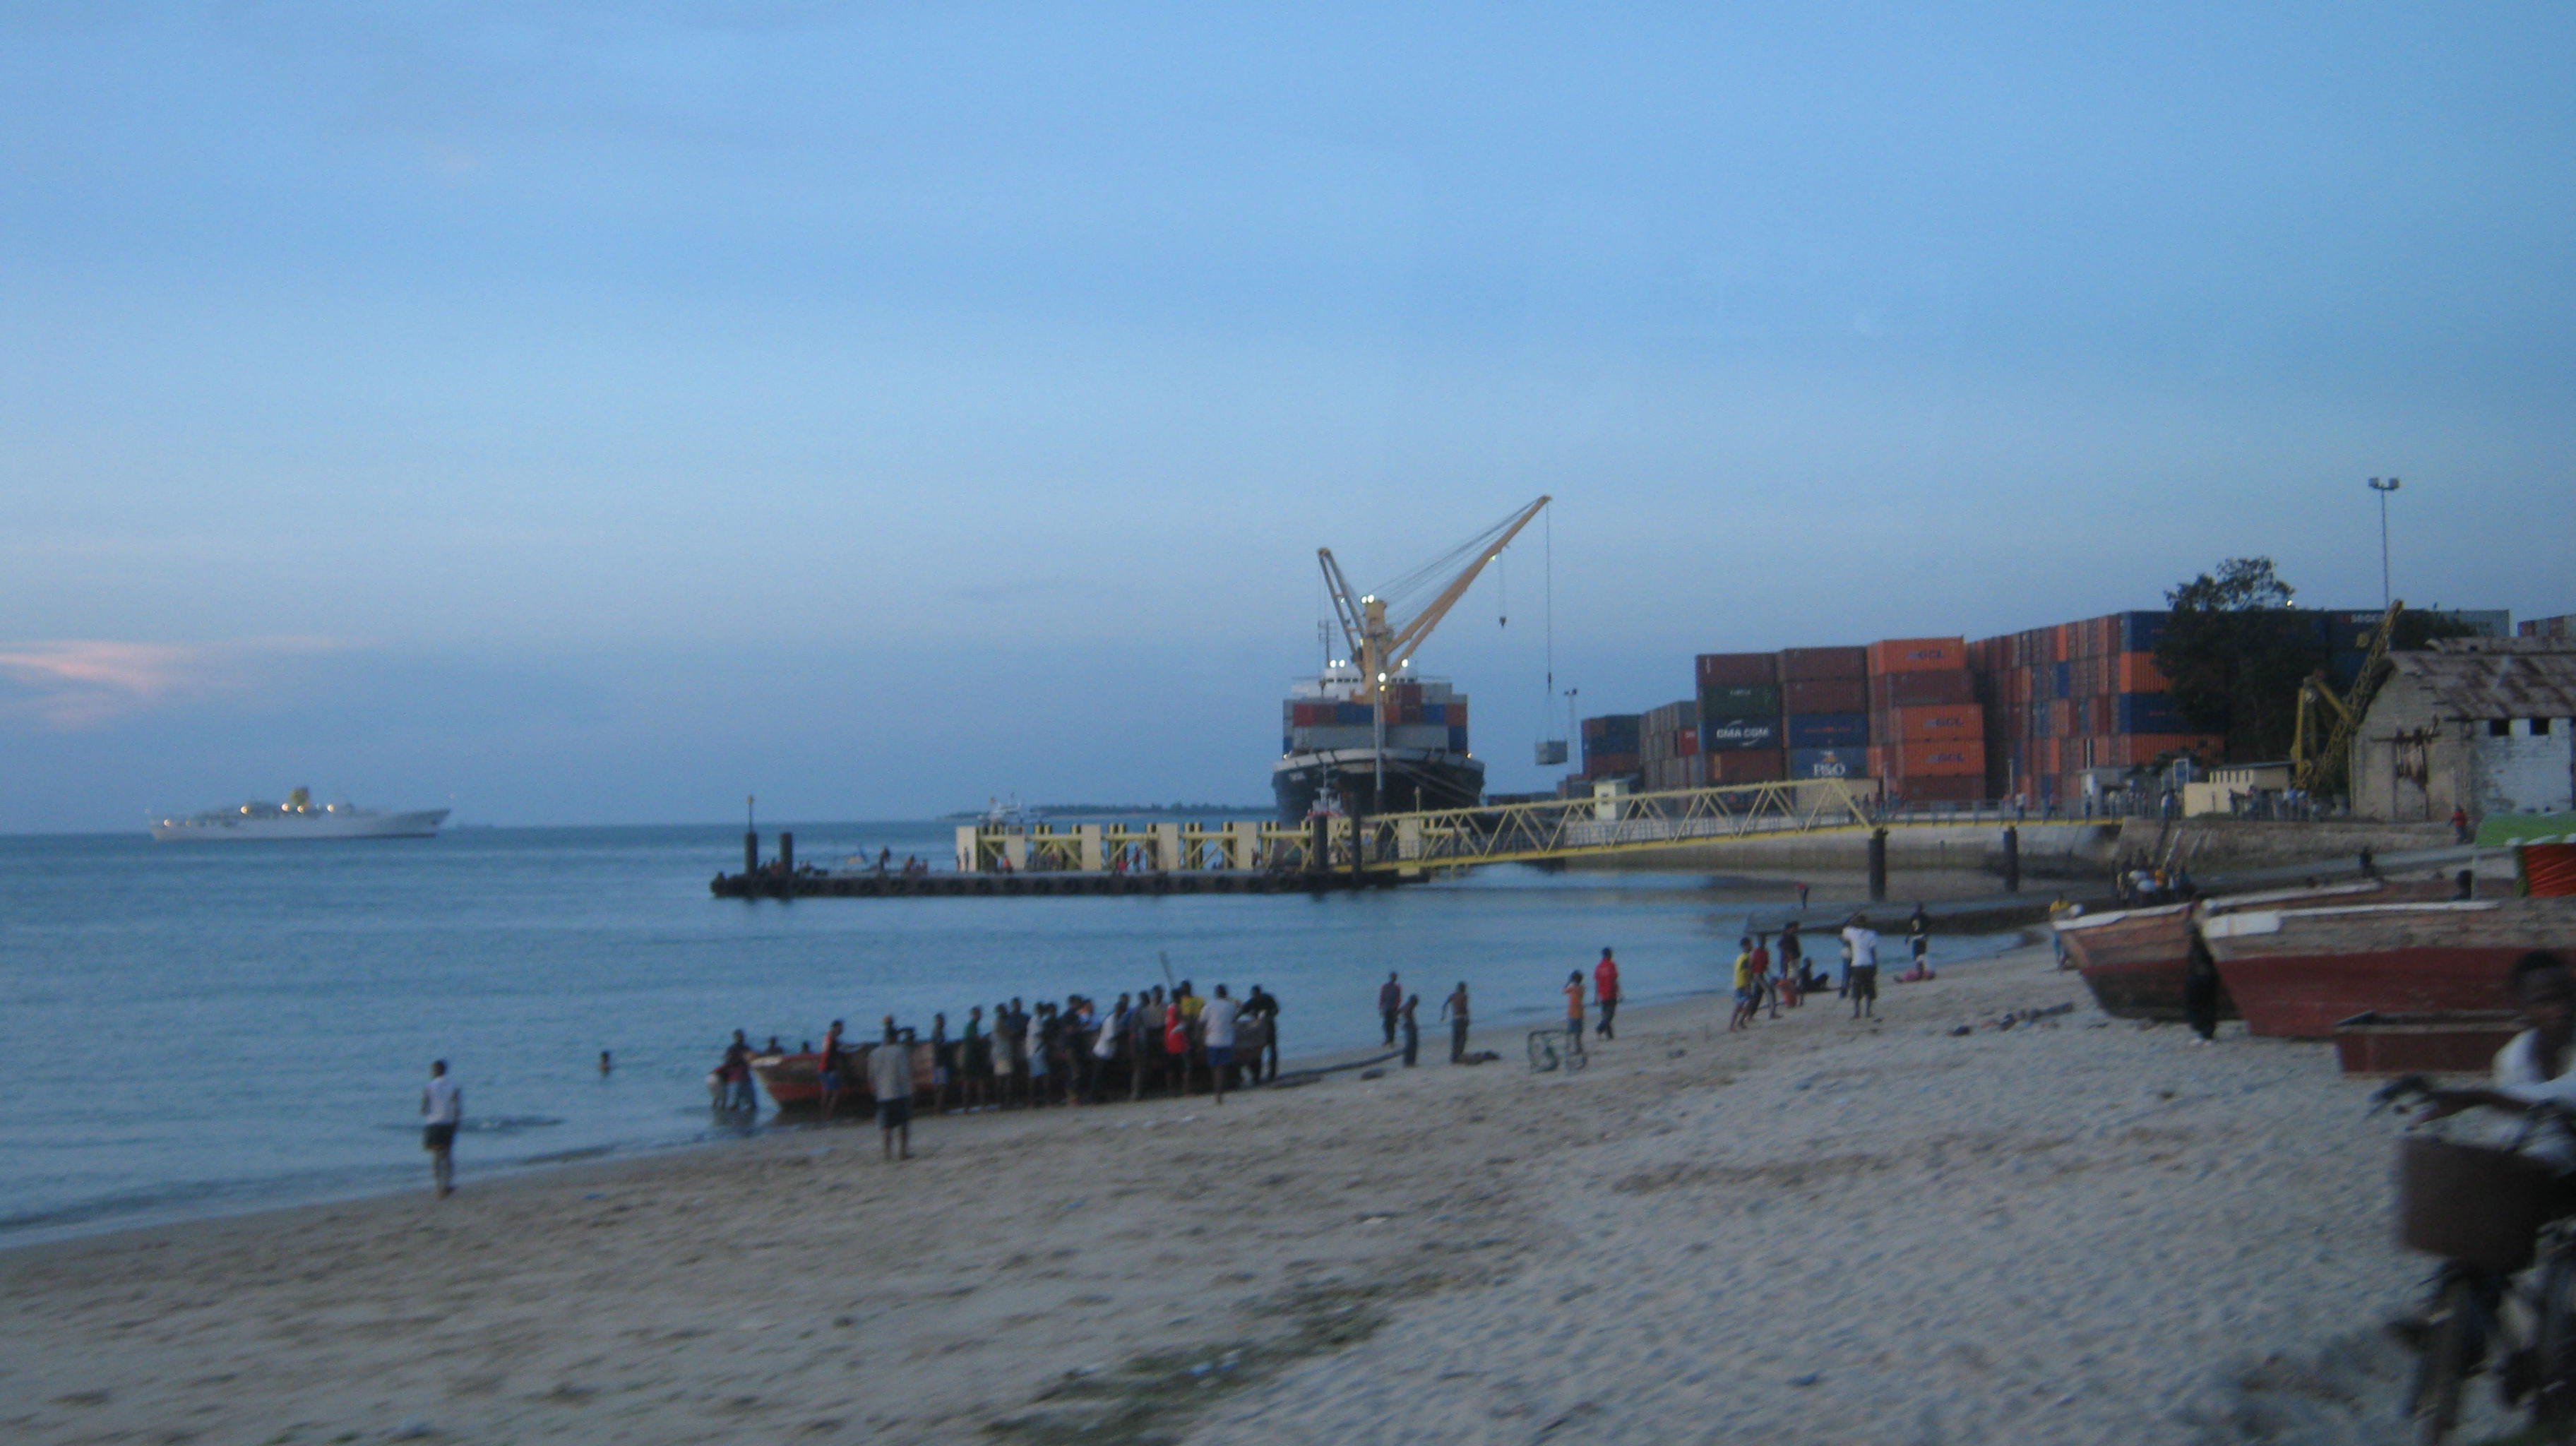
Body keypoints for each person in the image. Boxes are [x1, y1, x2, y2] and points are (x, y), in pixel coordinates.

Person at [2416, 952, 2576, 1167]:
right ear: (2522, 1006)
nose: (2561, 1009)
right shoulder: (2511, 1057)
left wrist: (2483, 1098)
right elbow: (2516, 1123)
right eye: (2545, 1001)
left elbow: (2567, 1097)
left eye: (2568, 997)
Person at [869, 1027, 914, 1160]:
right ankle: (902, 1152)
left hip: (883, 1093)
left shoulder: (874, 1053)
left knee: (887, 1126)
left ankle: (887, 1154)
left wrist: (874, 1090)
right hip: (899, 1092)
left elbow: (871, 1075)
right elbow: (905, 1073)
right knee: (903, 1124)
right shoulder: (900, 1051)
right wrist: (910, 1091)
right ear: (895, 1038)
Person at [422, 1060, 462, 1198]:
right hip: (448, 1123)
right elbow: (458, 1107)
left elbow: (424, 1109)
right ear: (445, 1070)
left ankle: (439, 1187)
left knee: (436, 1157)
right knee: (447, 1155)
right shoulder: (453, 1086)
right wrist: (455, 1122)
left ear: (434, 1072)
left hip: (434, 1123)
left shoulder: (429, 1087)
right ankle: (447, 1184)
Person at [1201, 984, 1240, 1104]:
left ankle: (1218, 1093)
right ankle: (1219, 1093)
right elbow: (1234, 1019)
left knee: (1215, 1068)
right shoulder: (1231, 1006)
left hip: (1212, 1040)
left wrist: (1202, 1038)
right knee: (1222, 1068)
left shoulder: (1209, 1006)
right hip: (1226, 1040)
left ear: (1216, 994)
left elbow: (1202, 1022)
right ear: (1226, 994)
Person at [1843, 914, 1880, 1020]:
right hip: (1869, 963)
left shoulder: (1851, 933)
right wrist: (1875, 965)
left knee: (1857, 989)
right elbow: (1873, 952)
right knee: (1869, 988)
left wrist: (1852, 918)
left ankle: (1857, 1013)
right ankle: (1868, 1011)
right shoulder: (1872, 934)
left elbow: (1844, 927)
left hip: (1857, 964)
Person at [1246, 984, 1281, 1082]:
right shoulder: (1253, 1001)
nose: (1256, 997)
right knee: (1259, 1052)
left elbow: (1277, 1010)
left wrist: (1269, 1017)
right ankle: (1259, 1075)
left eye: (1256, 995)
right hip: (1262, 1029)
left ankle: (1271, 1074)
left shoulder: (1267, 999)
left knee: (1271, 1051)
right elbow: (1243, 1010)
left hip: (1267, 1028)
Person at [819, 1018, 847, 1115]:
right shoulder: (832, 1037)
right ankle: (829, 1113)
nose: (842, 1030)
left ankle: (824, 1112)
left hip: (824, 1067)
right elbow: (838, 1048)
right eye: (841, 1028)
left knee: (826, 1091)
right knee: (835, 1092)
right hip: (829, 1067)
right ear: (836, 1027)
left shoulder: (829, 1037)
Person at [1729, 938, 1758, 1031]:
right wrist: (1747, 986)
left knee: (1744, 1003)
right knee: (1743, 1004)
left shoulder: (1740, 957)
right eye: (1750, 944)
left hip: (1738, 983)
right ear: (1746, 946)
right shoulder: (1746, 958)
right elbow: (1745, 973)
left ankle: (1739, 1022)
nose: (1752, 946)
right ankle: (1735, 1024)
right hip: (1742, 984)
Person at [1593, 948, 1621, 1040]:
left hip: (1603, 995)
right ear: (1609, 955)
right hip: (1611, 993)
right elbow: (1614, 980)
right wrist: (1619, 993)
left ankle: (1610, 1036)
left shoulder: (1599, 967)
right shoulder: (1611, 965)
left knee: (1606, 1016)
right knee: (1610, 1015)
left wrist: (1596, 997)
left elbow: (1597, 983)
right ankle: (1600, 1029)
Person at [1443, 981, 1471, 1063]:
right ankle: (1459, 1055)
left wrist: (1443, 1015)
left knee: (1455, 1039)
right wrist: (1468, 1018)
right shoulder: (1464, 996)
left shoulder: (1453, 996)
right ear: (1463, 988)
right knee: (1463, 1038)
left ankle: (1454, 1057)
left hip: (1455, 1019)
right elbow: (1465, 1008)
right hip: (1462, 1019)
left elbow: (1445, 1005)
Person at [1562, 970, 1587, 1052]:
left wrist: (1569, 981)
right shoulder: (1582, 988)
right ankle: (1578, 1047)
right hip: (1580, 1012)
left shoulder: (1572, 988)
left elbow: (1563, 991)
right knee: (1578, 1033)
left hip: (1572, 1012)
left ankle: (1569, 1047)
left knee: (1570, 1032)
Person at [1379, 972, 1403, 1046]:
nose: (1394, 979)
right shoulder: (1385, 987)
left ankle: (1391, 1040)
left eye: (1395, 977)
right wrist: (1381, 1007)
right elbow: (1382, 997)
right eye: (1393, 977)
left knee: (1392, 1025)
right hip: (1386, 1007)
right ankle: (1388, 1039)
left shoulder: (1397, 988)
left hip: (1393, 1008)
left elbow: (1399, 999)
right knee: (1386, 1025)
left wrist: (1395, 1007)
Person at [1400, 993, 1421, 1067]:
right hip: (1410, 1026)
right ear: (1413, 1002)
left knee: (1409, 1044)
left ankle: (1408, 1061)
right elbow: (1410, 1019)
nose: (1417, 1004)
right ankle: (1411, 1062)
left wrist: (1400, 1022)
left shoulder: (1405, 1006)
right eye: (1416, 1002)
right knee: (1412, 1044)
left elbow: (1397, 1012)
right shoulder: (1410, 1007)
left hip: (1407, 1026)